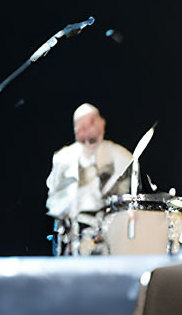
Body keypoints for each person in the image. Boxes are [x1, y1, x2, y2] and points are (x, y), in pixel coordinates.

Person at [46, 103, 134, 251]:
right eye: (80, 126)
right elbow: (54, 199)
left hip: (113, 236)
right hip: (72, 237)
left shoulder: (122, 157)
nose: (86, 131)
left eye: (91, 123)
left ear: (102, 123)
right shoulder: (62, 159)